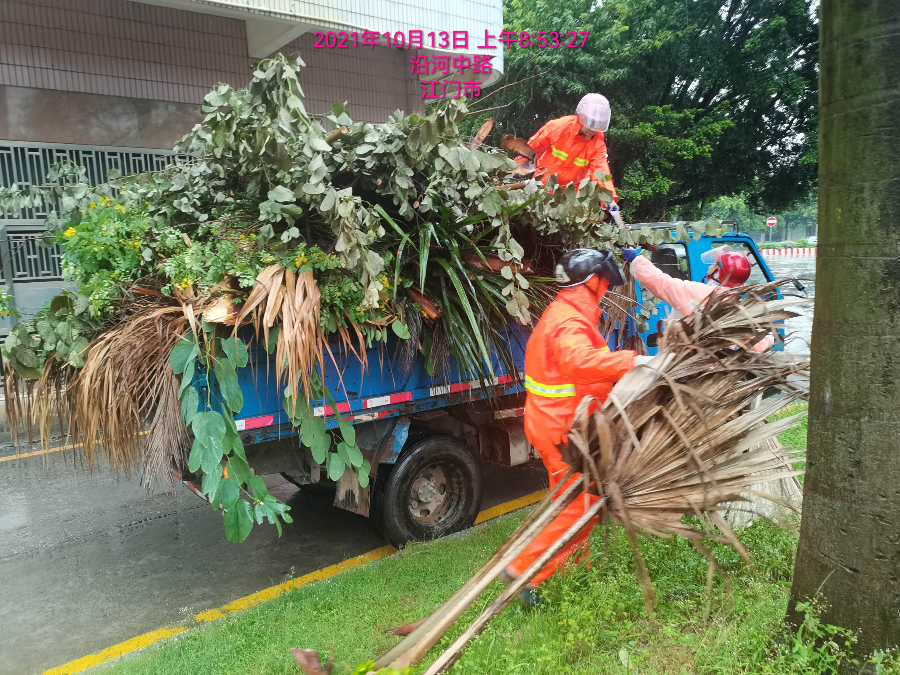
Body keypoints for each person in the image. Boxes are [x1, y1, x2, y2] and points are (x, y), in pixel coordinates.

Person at [504, 249, 642, 603]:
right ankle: (525, 568)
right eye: (606, 284)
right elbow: (578, 360)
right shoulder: (570, 321)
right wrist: (635, 362)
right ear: (593, 281)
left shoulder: (564, 311)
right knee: (583, 505)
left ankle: (572, 568)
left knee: (569, 502)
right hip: (563, 428)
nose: (608, 291)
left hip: (551, 422)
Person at [622, 246, 774, 352]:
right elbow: (760, 345)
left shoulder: (697, 293)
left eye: (714, 265)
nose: (709, 268)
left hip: (683, 364)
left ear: (718, 272)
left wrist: (636, 259)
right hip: (714, 371)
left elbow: (661, 282)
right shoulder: (738, 304)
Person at [518, 94, 624, 226]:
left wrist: (610, 202)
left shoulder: (598, 144)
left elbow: (601, 174)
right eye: (591, 123)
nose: (593, 129)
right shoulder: (558, 128)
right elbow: (529, 150)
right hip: (544, 191)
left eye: (599, 125)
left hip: (574, 200)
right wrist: (512, 169)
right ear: (581, 117)